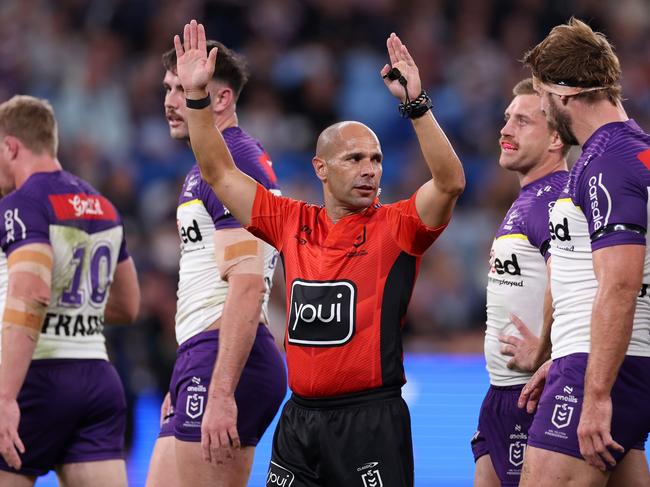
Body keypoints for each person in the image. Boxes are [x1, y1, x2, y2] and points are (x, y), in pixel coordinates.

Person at [173, 20, 465, 487]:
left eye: (376, 159)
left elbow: (450, 183)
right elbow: (218, 173)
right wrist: (196, 98)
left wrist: (416, 105)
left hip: (370, 420)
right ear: (321, 168)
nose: (369, 170)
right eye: (354, 159)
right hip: (300, 420)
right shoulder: (292, 222)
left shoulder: (397, 227)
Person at [145, 39, 287, 487]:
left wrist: (220, 390)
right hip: (202, 356)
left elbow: (247, 284)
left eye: (182, 89)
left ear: (220, 97)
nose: (170, 102)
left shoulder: (234, 160)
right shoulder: (208, 165)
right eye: (168, 89)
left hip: (225, 360)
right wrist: (183, 376)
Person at [516, 18, 650, 487]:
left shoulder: (608, 161)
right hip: (601, 358)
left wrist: (594, 391)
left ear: (564, 94)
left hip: (601, 368)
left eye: (542, 99)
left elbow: (621, 283)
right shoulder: (624, 152)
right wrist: (565, 351)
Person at [0, 95, 139, 487]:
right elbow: (129, 306)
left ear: (11, 146)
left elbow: (30, 291)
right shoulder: (103, 206)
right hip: (97, 378)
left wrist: (5, 396)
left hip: (35, 377)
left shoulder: (21, 204)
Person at [472, 78, 569, 487]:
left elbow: (572, 280)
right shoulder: (528, 199)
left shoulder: (555, 199)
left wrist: (546, 349)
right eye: (507, 118)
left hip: (531, 395)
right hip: (501, 392)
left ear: (555, 140)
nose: (505, 129)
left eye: (522, 121)